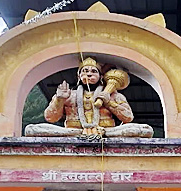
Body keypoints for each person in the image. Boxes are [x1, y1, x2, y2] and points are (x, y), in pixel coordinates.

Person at [24, 57, 153, 139]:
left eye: (93, 71)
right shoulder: (69, 94)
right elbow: (50, 118)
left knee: (145, 130)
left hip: (107, 133)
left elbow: (128, 117)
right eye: (85, 71)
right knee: (31, 130)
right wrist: (59, 100)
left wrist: (109, 103)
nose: (89, 74)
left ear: (100, 77)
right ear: (79, 77)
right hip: (73, 133)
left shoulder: (113, 95)